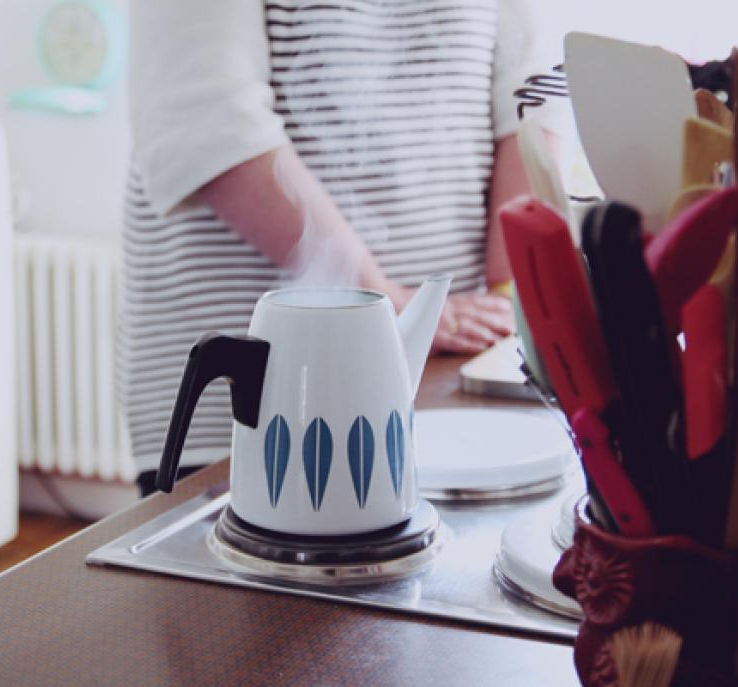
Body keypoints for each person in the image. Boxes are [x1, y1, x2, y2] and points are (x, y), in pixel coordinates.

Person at [123, 0, 544, 495]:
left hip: (442, 386)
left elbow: (530, 102)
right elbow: (208, 124)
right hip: (244, 406)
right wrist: (387, 309)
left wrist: (507, 298)